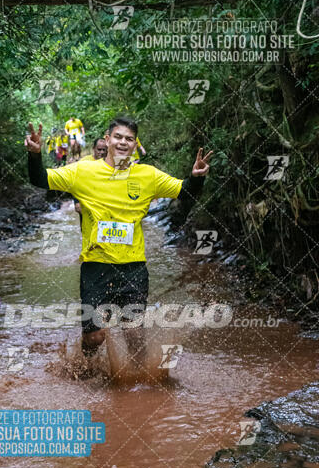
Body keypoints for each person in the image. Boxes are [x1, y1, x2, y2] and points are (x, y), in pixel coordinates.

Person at [26, 116, 211, 363]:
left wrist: (197, 177)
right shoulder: (83, 171)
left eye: (129, 139)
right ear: (107, 139)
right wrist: (35, 155)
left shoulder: (147, 175)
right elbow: (40, 179)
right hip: (96, 266)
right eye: (118, 137)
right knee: (95, 337)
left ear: (135, 145)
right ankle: (85, 365)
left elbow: (185, 191)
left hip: (133, 267)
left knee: (133, 332)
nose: (123, 142)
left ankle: (139, 381)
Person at [73, 138, 108, 217]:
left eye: (104, 150)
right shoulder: (84, 162)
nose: (101, 152)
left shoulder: (110, 162)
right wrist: (76, 202)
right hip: (85, 202)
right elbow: (75, 182)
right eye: (99, 150)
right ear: (93, 149)